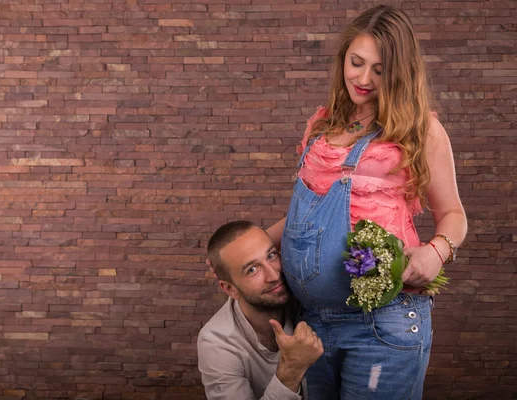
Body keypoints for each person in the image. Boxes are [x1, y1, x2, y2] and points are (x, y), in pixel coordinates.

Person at [266, 5, 468, 400]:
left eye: (380, 69)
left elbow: (454, 215)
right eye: (356, 63)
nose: (363, 78)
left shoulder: (421, 130)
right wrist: (247, 246)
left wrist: (436, 252)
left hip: (383, 323)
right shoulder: (322, 124)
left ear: (400, 72)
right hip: (312, 325)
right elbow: (307, 217)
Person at [197, 220, 323, 399]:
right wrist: (291, 370)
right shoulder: (216, 342)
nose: (273, 275)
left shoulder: (304, 297)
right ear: (230, 289)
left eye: (271, 255)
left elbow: (310, 219)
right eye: (252, 269)